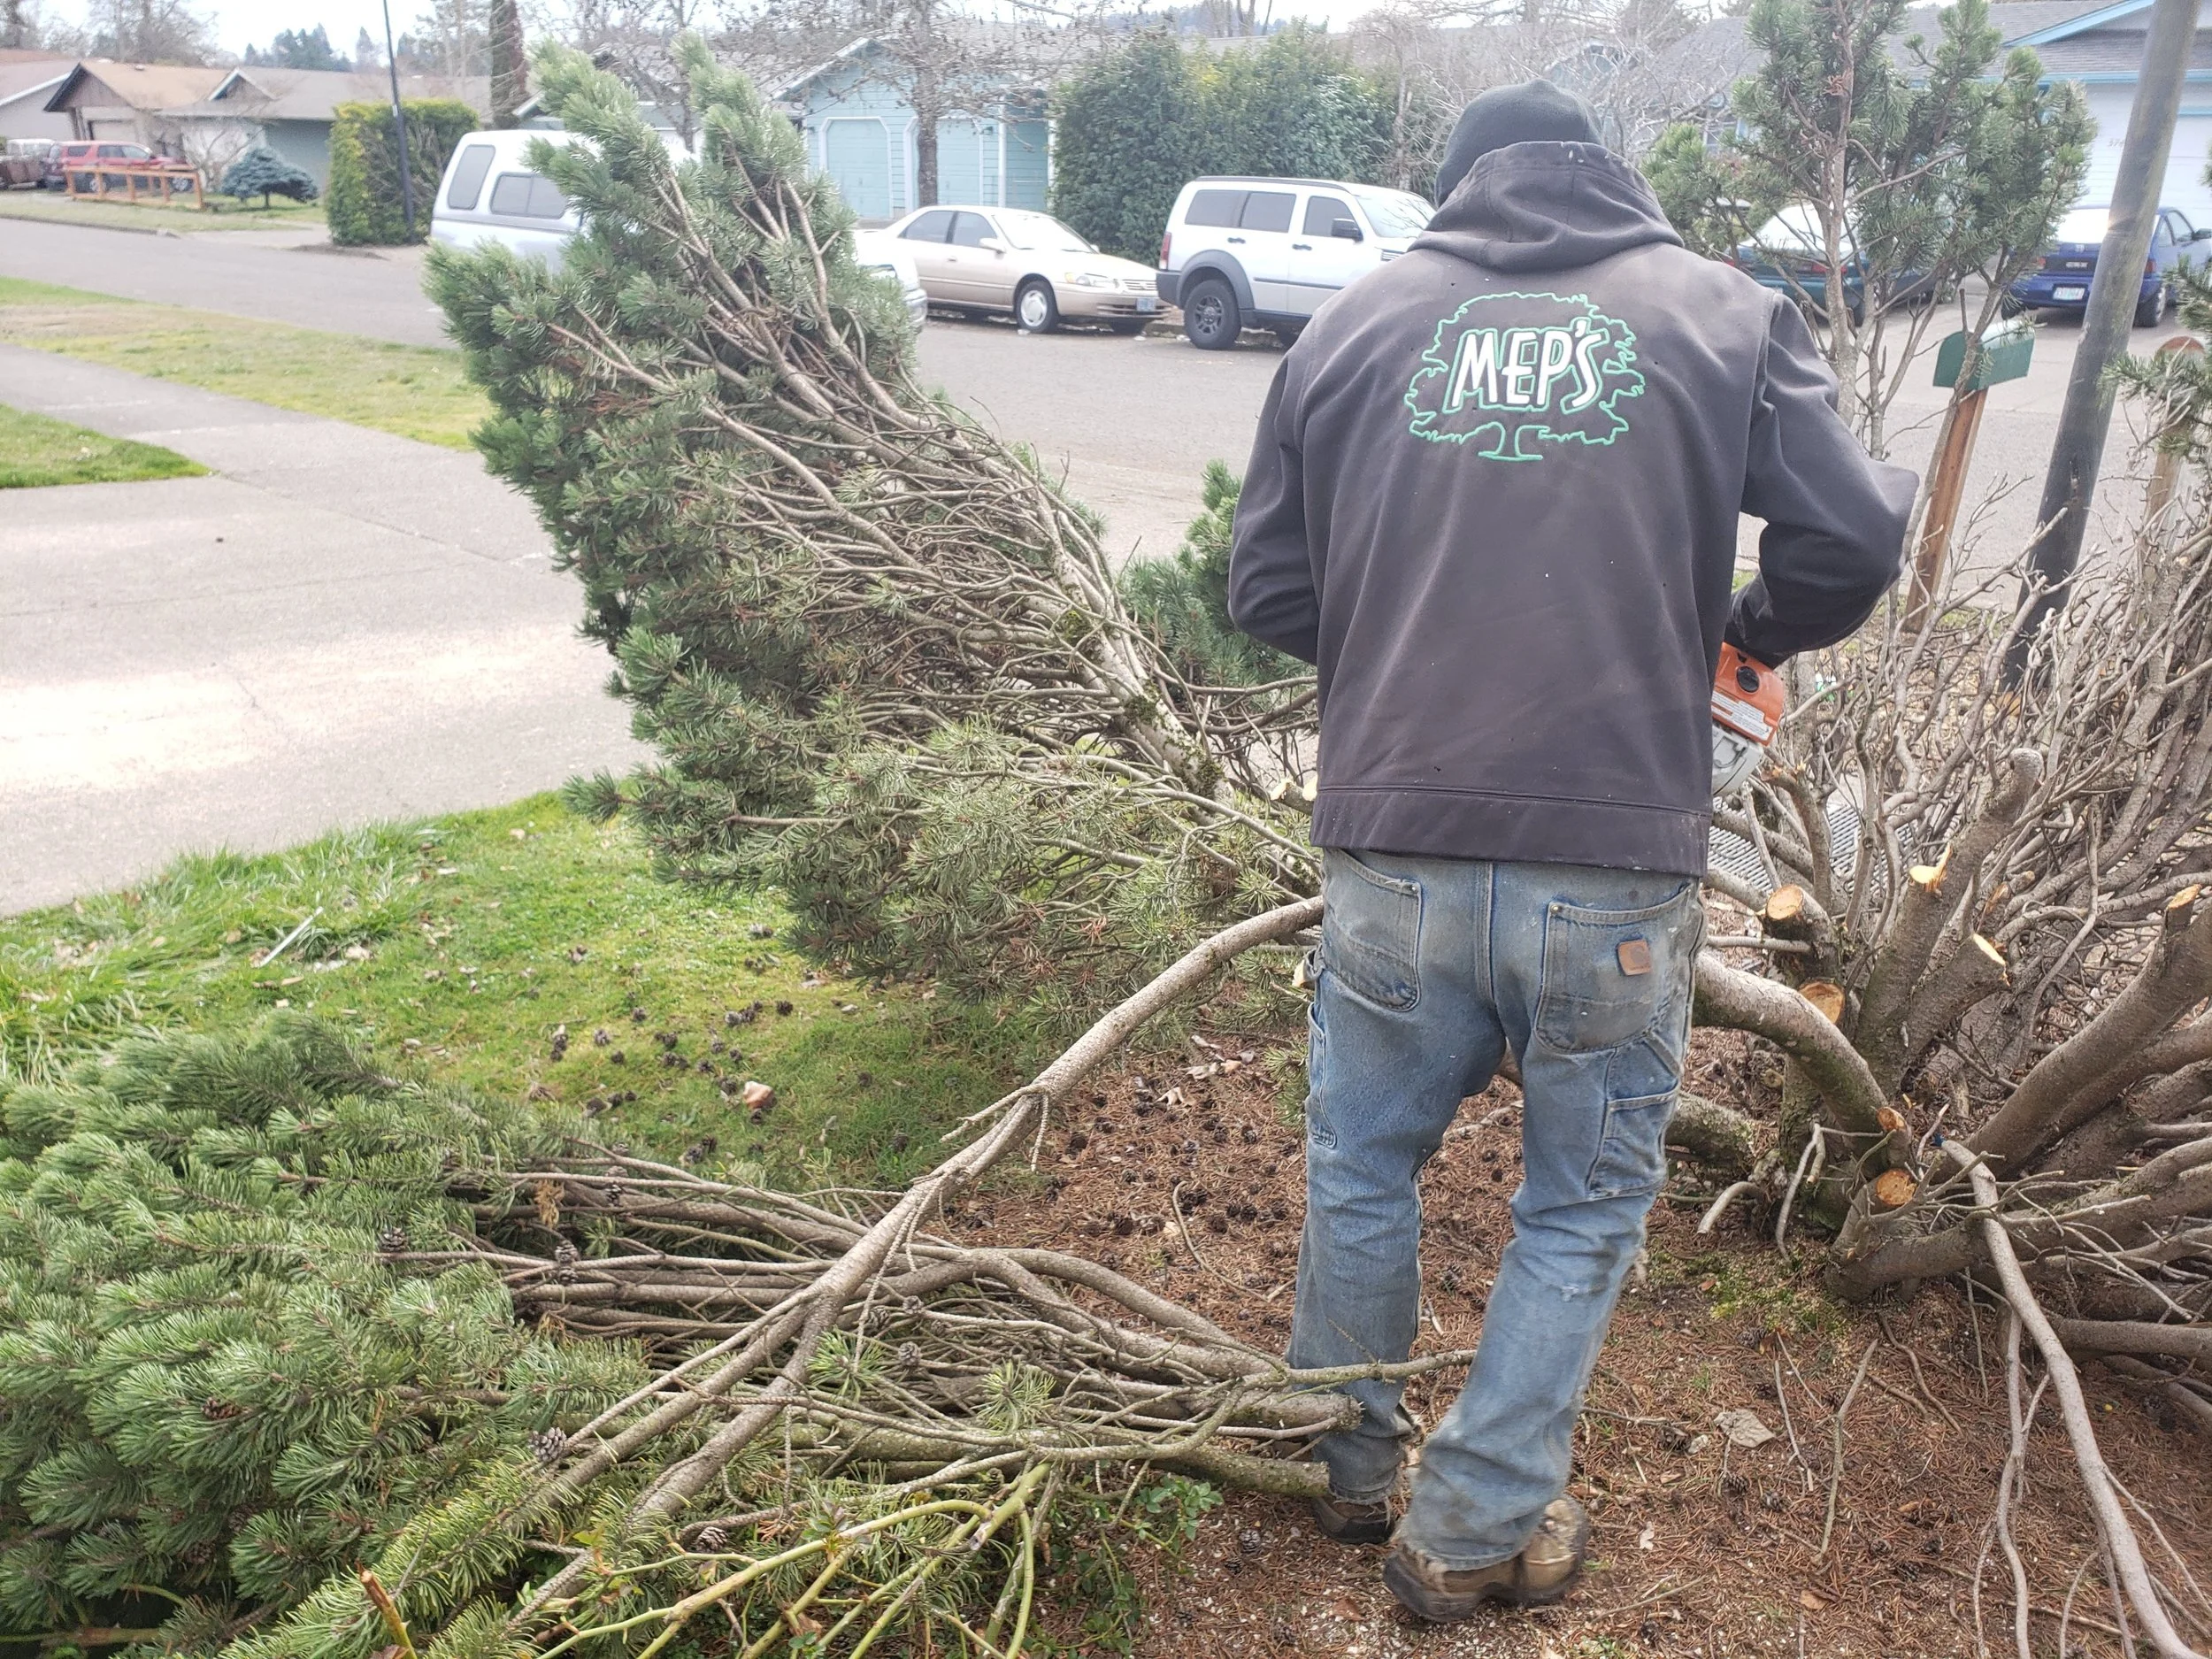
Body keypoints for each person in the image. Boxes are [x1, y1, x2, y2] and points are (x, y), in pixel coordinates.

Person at [1225, 81, 1914, 1621]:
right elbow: (1856, 537)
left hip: (1391, 844)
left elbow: (1267, 583)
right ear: (1612, 176)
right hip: (1610, 860)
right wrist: (1744, 638)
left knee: (1360, 1158)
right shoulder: (1720, 314)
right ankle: (1470, 1525)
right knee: (1582, 1199)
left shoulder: (1349, 327)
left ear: (1458, 191)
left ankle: (1336, 1465)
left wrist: (1400, 643)